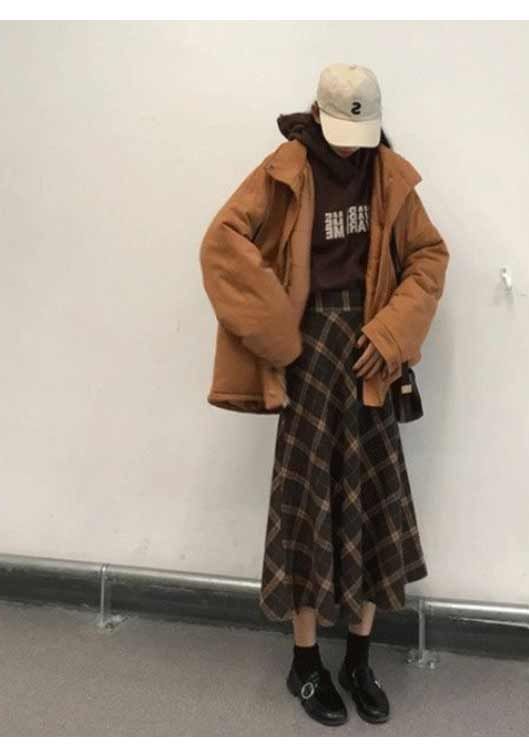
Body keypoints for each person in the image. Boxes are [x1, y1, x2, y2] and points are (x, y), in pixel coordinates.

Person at [199, 62, 449, 727]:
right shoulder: (285, 170)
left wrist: (391, 334)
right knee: (306, 507)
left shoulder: (389, 175)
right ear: (316, 113)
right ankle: (306, 663)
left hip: (371, 359)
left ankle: (359, 660)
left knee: (371, 503)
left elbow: (428, 258)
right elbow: (222, 245)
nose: (349, 147)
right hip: (308, 358)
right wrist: (281, 337)